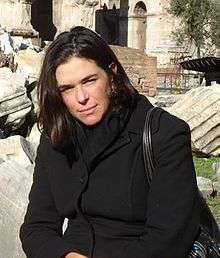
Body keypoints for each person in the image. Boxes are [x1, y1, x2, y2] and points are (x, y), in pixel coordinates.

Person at [20, 26, 200, 258]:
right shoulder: (56, 137)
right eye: (67, 88)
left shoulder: (164, 134)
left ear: (112, 74)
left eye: (89, 80)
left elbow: (168, 239)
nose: (81, 98)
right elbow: (37, 227)